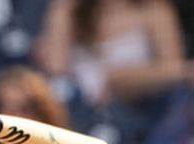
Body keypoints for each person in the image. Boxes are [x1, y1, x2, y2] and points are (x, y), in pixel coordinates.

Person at [37, 0, 193, 107]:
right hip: (80, 112)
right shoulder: (69, 10)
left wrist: (122, 79)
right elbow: (57, 70)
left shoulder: (154, 9)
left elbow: (175, 70)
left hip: (139, 112)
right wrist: (64, 12)